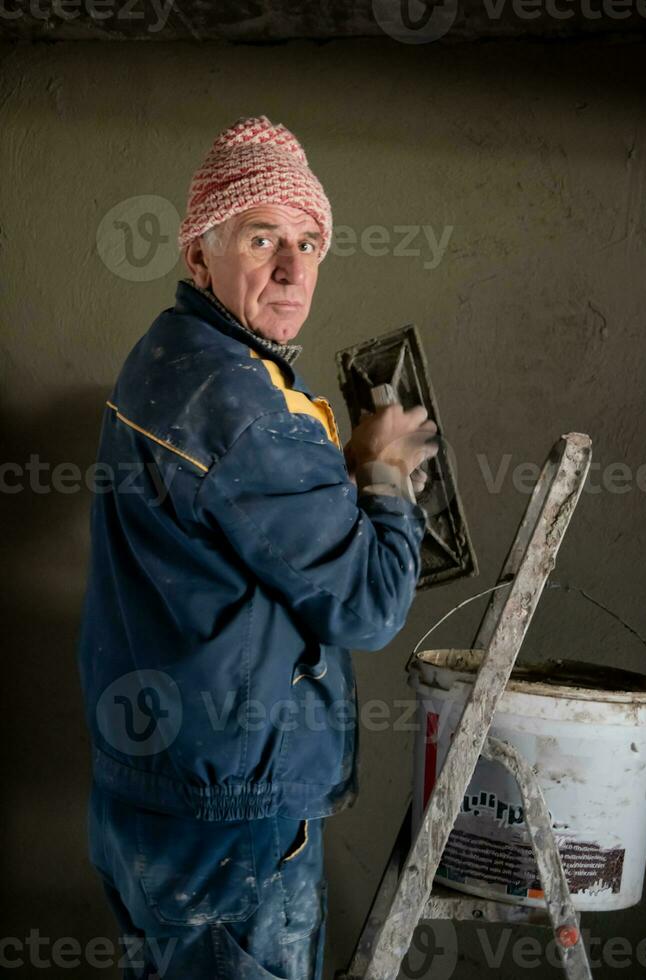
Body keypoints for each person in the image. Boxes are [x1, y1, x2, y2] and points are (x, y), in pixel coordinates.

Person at [77, 114, 438, 980]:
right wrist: (386, 478)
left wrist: (334, 475)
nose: (292, 268)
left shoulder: (168, 356)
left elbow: (238, 516)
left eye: (309, 242)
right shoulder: (244, 400)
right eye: (262, 236)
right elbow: (368, 603)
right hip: (232, 822)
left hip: (151, 802)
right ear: (198, 255)